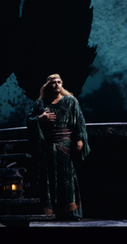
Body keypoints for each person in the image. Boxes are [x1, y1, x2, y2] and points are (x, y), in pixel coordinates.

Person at [27, 74, 90, 221]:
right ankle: (48, 212)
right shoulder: (40, 103)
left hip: (65, 146)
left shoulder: (71, 101)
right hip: (48, 146)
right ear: (48, 86)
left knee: (67, 178)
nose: (56, 84)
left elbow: (80, 120)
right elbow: (29, 120)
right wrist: (40, 119)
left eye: (59, 82)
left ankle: (70, 212)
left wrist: (80, 138)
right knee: (47, 179)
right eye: (53, 82)